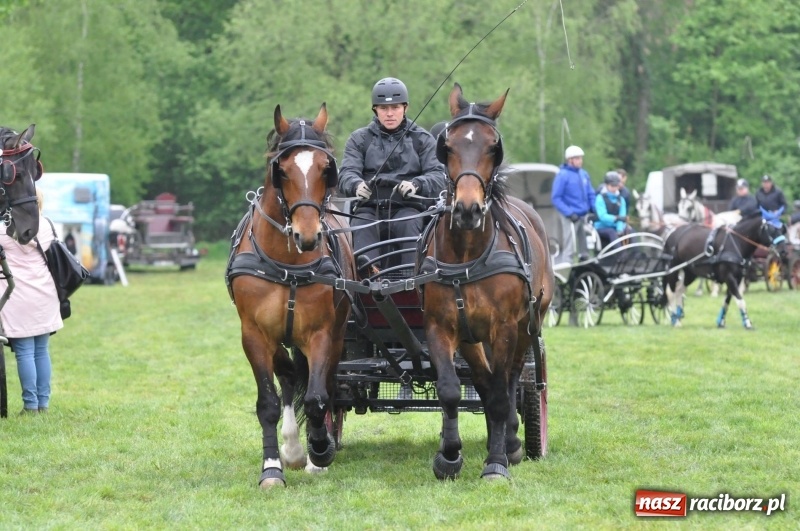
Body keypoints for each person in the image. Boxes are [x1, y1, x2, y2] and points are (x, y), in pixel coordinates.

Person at [338, 77, 446, 274]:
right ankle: (366, 282)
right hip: (368, 209)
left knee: (409, 225)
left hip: (408, 208)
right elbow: (346, 172)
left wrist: (417, 184)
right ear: (375, 110)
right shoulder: (358, 139)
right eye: (383, 108)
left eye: (395, 107)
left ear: (405, 107)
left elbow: (438, 174)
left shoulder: (422, 139)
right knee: (361, 227)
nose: (389, 114)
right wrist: (355, 185)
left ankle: (411, 282)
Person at [0, 188, 63, 415]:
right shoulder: (47, 225)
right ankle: (43, 404)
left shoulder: (3, 229)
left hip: (18, 294)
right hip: (45, 293)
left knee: (25, 352)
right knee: (41, 350)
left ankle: (30, 405)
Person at [551, 145, 595, 264]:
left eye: (581, 158)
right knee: (570, 244)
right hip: (570, 216)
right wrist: (569, 213)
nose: (581, 161)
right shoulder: (562, 175)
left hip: (583, 215)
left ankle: (585, 264)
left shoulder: (584, 174)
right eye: (578, 158)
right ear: (570, 160)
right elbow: (556, 198)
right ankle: (566, 268)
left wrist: (594, 209)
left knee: (584, 244)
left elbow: (591, 193)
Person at [593, 171, 628, 249]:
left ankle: (635, 253)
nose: (614, 188)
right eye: (612, 186)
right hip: (601, 226)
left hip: (615, 226)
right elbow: (602, 216)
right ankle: (620, 254)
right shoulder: (600, 198)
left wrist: (619, 229)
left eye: (616, 186)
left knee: (629, 230)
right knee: (611, 232)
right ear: (606, 185)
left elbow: (622, 215)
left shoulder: (621, 199)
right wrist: (615, 218)